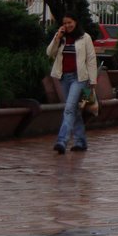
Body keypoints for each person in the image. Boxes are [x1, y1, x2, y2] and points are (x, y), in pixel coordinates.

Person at [46, 15, 98, 154]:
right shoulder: (61, 38)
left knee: (69, 109)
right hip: (64, 77)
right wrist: (57, 37)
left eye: (70, 22)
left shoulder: (84, 37)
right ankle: (80, 142)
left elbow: (91, 59)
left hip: (79, 78)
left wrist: (92, 81)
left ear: (76, 22)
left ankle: (62, 141)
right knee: (74, 110)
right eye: (65, 23)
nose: (67, 25)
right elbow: (49, 53)